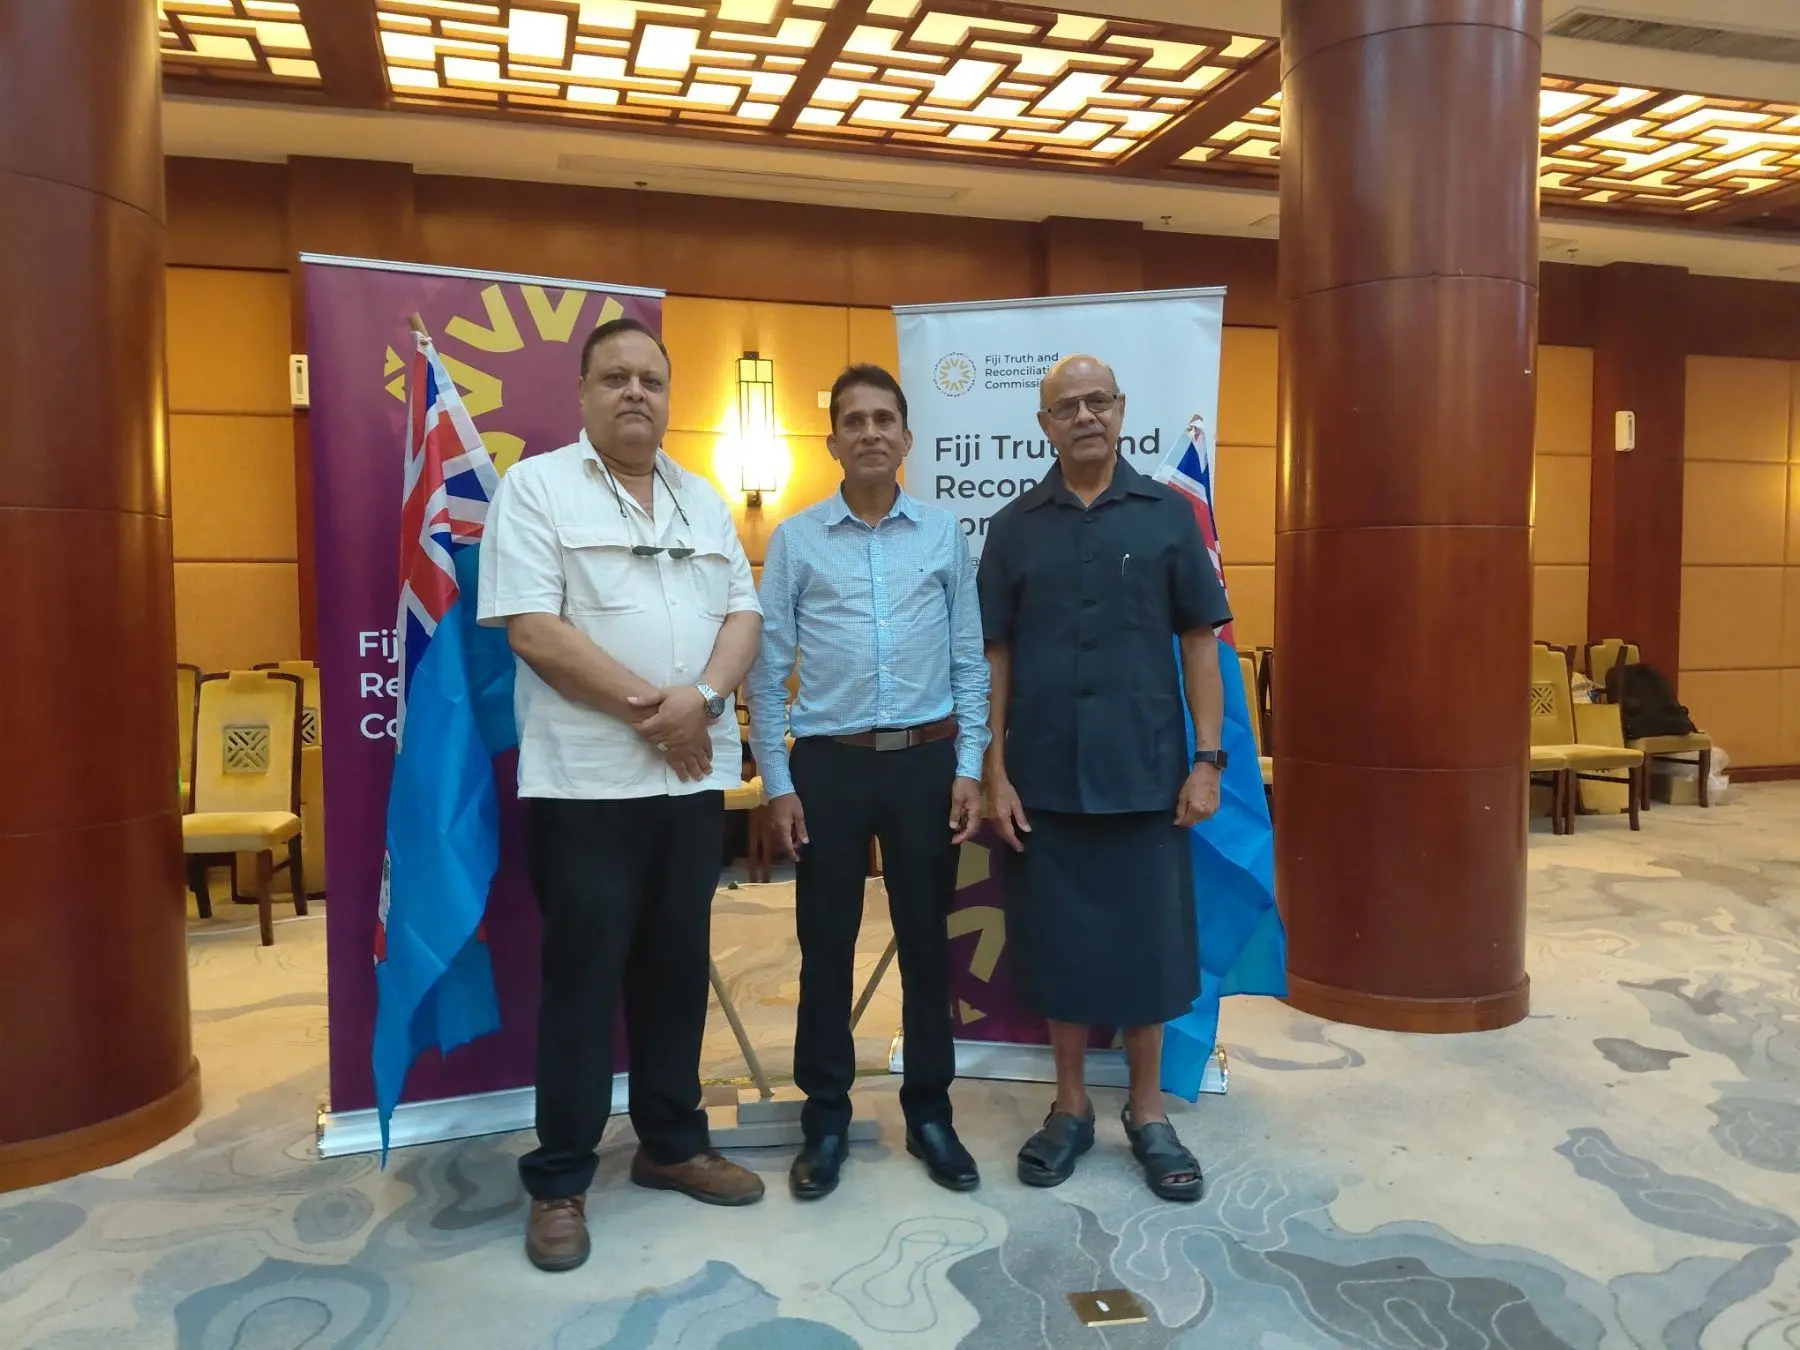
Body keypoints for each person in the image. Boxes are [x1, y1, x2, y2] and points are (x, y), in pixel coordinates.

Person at [479, 317, 767, 1273]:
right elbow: (533, 631)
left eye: (651, 378)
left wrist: (708, 702)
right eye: (615, 379)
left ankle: (670, 1145)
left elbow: (741, 614)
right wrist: (663, 715)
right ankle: (559, 1177)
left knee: (677, 969)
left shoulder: (701, 496)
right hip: (588, 786)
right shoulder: (537, 488)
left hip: (693, 788)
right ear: (584, 394)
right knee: (582, 981)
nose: (635, 393)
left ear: (669, 394)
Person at [976, 354, 1229, 1204]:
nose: (1084, 416)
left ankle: (1149, 1114)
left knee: (1148, 951)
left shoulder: (1168, 516)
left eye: (1097, 402)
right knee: (1059, 949)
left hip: (1149, 776)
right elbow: (996, 657)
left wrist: (1207, 759)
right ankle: (1071, 1106)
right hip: (1043, 778)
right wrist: (994, 767)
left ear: (1121, 412)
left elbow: (1202, 642)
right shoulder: (1014, 529)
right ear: (1043, 425)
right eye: (1065, 406)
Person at [747, 364, 990, 1200]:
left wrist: (967, 767)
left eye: (885, 418)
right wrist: (778, 782)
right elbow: (768, 666)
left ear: (907, 437)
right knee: (826, 947)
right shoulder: (797, 539)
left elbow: (968, 660)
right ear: (833, 442)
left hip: (926, 762)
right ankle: (824, 1120)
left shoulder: (944, 534)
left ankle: (930, 1114)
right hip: (830, 766)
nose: (871, 432)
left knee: (928, 947)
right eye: (854, 420)